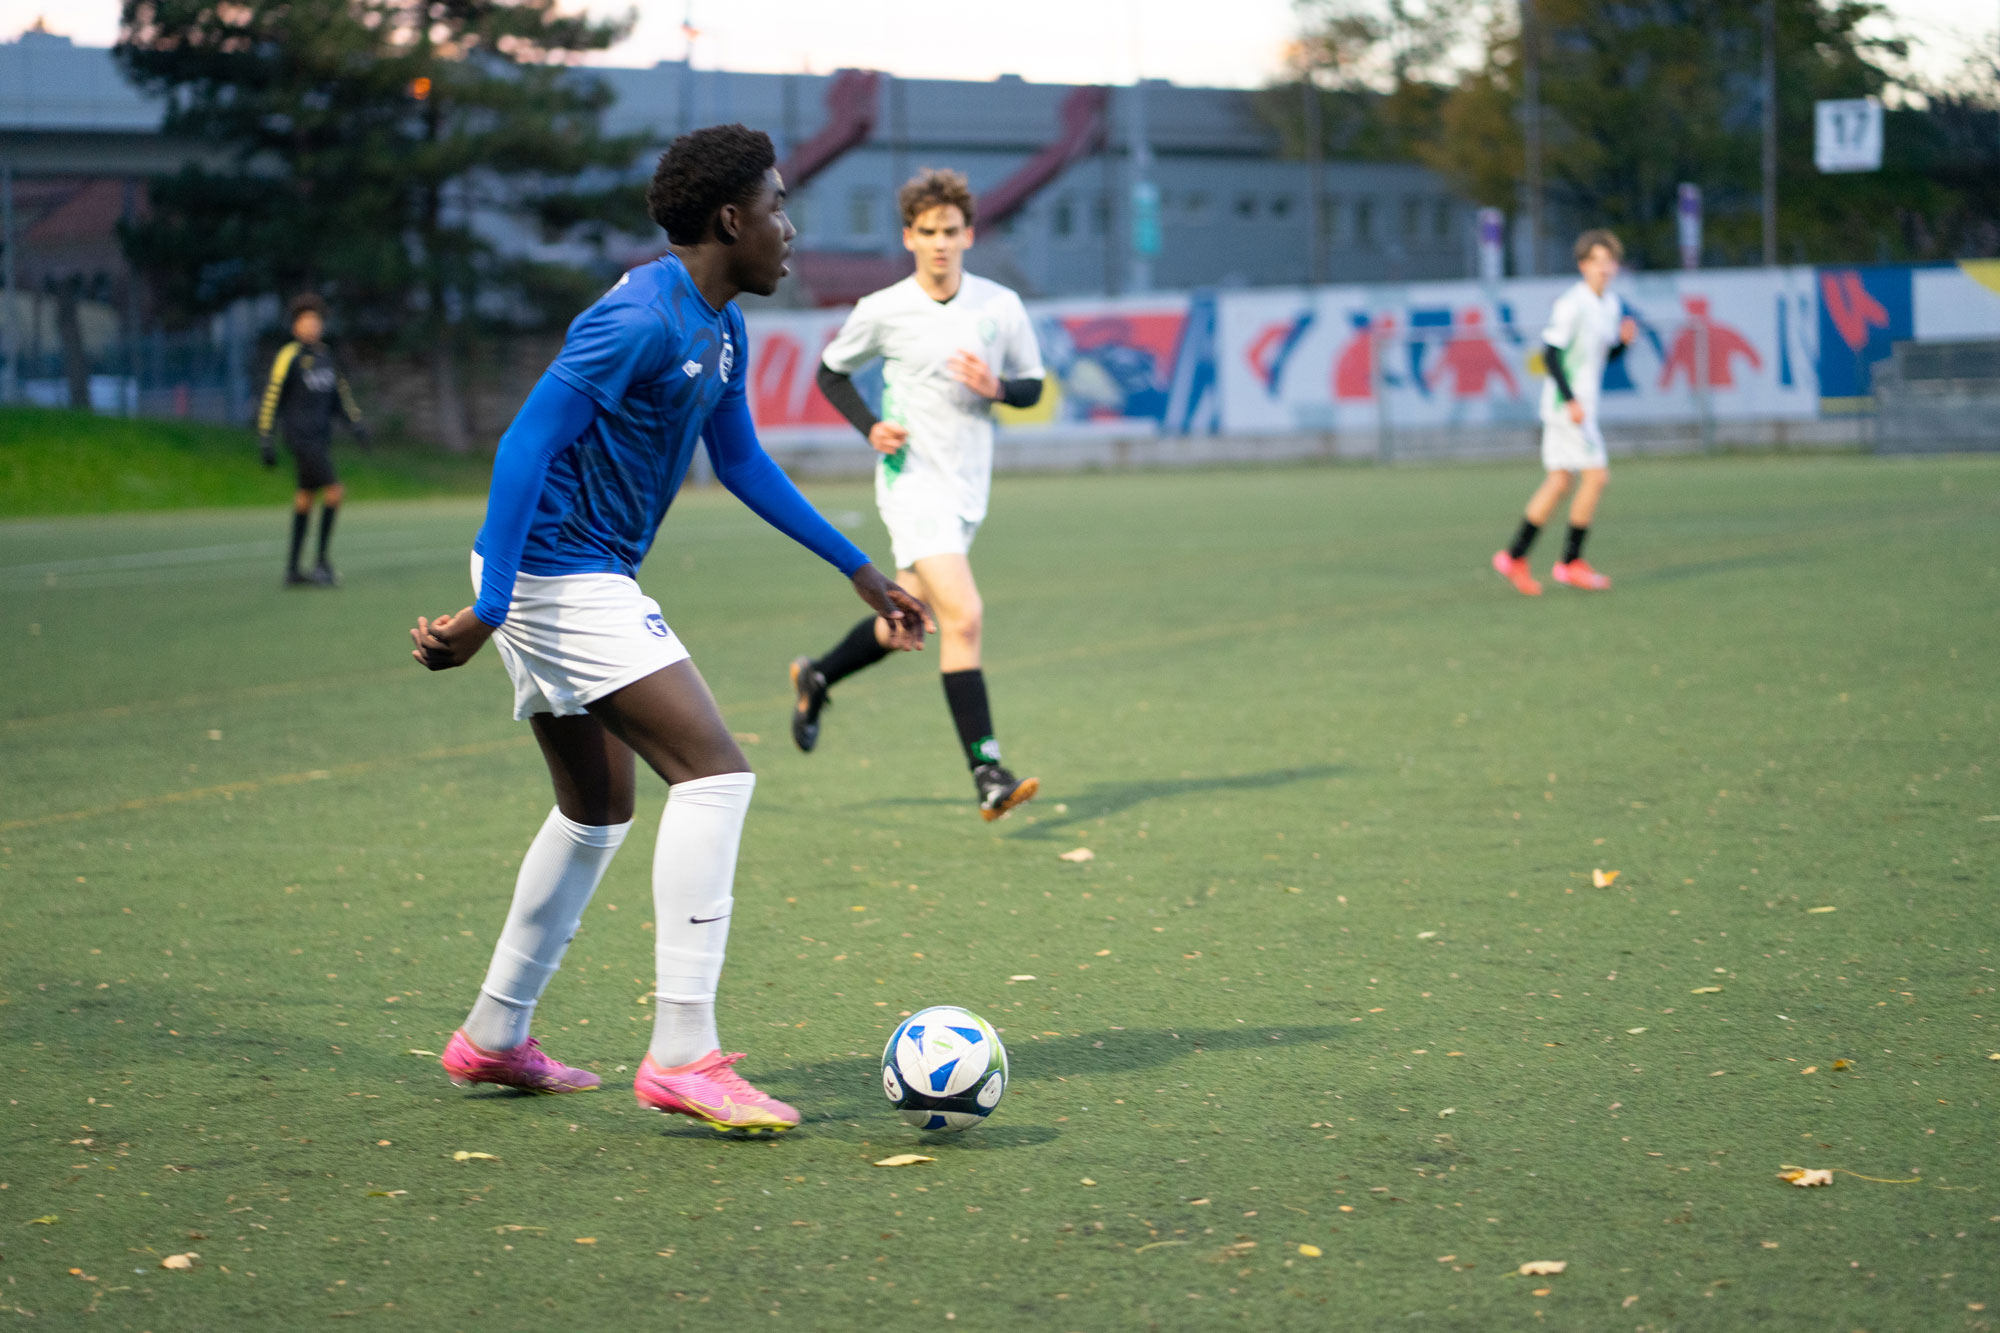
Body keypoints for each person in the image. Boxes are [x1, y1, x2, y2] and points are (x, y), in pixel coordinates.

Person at [407, 123, 928, 1135]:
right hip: (556, 573)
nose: (789, 228)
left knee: (596, 810)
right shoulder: (639, 316)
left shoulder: (720, 327)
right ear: (731, 219)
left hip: (570, 573)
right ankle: (684, 1053)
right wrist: (492, 608)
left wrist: (861, 571)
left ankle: (494, 1032)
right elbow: (523, 444)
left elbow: (742, 464)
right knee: (715, 774)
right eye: (778, 207)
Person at [787, 168, 1044, 821]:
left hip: (967, 486)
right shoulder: (883, 309)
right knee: (964, 617)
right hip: (912, 482)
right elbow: (832, 372)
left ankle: (819, 674)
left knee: (904, 614)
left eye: (950, 231)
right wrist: (870, 426)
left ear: (969, 235)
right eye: (927, 232)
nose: (939, 243)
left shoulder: (1000, 306)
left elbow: (1033, 387)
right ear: (908, 237)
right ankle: (987, 769)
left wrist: (997, 388)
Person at [1492, 229, 1638, 595]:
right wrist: (1571, 399)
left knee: (1559, 481)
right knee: (1596, 476)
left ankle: (1514, 556)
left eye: (1609, 261)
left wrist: (1622, 344)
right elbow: (1550, 354)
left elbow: (1603, 356)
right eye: (1596, 261)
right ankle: (1571, 563)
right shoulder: (1573, 304)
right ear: (1582, 265)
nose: (1603, 268)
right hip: (1568, 408)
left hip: (1576, 407)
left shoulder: (1610, 304)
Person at [258, 294, 370, 586]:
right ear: (295, 326)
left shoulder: (326, 357)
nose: (311, 326)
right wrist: (266, 437)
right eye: (305, 321)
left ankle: (293, 570)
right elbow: (272, 396)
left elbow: (340, 396)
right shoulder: (289, 356)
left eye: (315, 321)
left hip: (320, 438)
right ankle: (321, 563)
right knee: (334, 491)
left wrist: (357, 425)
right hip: (300, 437)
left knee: (305, 497)